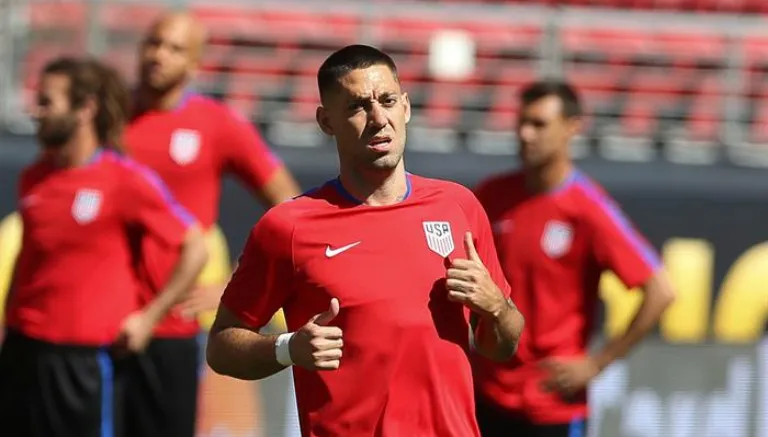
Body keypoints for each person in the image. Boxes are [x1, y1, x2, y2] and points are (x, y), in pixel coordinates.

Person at [205, 44, 525, 437]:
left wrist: (498, 308)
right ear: (327, 121)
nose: (378, 119)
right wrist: (288, 348)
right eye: (358, 106)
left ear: (405, 107)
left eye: (388, 101)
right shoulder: (287, 226)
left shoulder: (458, 206)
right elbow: (221, 346)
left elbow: (501, 345)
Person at [0, 56, 208, 437]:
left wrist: (148, 317)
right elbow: (29, 257)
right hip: (22, 350)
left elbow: (195, 245)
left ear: (85, 109)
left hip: (86, 363)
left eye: (47, 102)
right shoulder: (35, 176)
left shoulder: (125, 179)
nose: (36, 111)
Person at [123, 11, 301, 437]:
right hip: (103, 317)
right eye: (153, 43)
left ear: (195, 64)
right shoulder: (110, 116)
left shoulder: (216, 124)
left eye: (175, 49)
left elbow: (290, 206)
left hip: (176, 323)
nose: (158, 56)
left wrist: (232, 286)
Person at [471, 80, 676, 437]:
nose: (525, 134)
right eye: (521, 123)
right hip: (486, 391)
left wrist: (597, 363)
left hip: (551, 401)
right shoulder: (491, 195)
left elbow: (661, 291)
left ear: (572, 127)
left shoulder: (588, 209)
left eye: (539, 124)